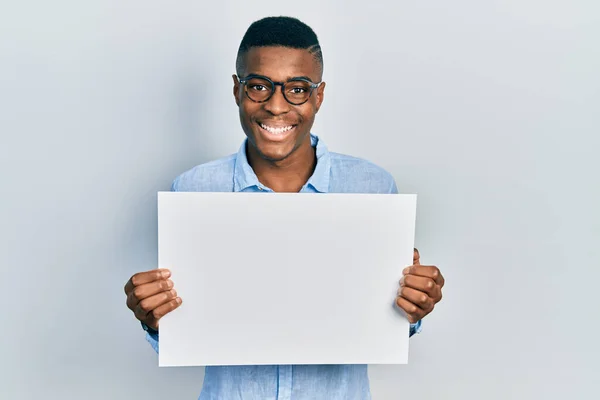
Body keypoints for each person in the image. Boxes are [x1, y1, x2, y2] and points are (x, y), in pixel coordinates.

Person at [124, 16, 445, 400]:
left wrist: (413, 308)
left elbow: (384, 323)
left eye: (297, 89)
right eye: (258, 86)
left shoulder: (372, 188)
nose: (276, 106)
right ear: (237, 90)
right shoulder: (193, 190)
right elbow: (187, 327)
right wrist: (154, 320)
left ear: (318, 97)